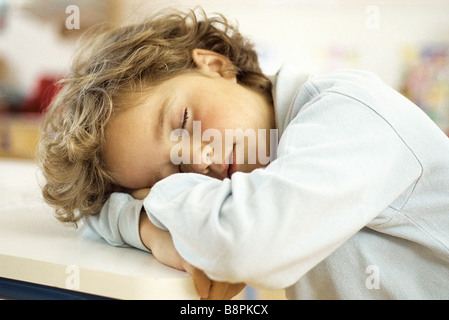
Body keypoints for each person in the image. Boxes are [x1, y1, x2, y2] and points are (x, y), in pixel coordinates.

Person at [38, 9, 449, 300]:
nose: (198, 163)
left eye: (182, 121)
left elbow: (244, 245)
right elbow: (98, 211)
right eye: (166, 176)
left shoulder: (348, 111)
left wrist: (152, 209)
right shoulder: (266, 164)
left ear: (215, 64)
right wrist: (145, 224)